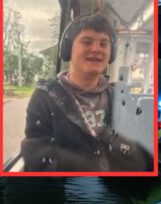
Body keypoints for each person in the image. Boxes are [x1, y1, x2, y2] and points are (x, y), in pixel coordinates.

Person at [20, 13, 153, 172]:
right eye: (87, 42)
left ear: (112, 53)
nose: (96, 49)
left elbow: (139, 154)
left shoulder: (120, 98)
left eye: (103, 44)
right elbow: (37, 162)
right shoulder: (44, 98)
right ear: (68, 49)